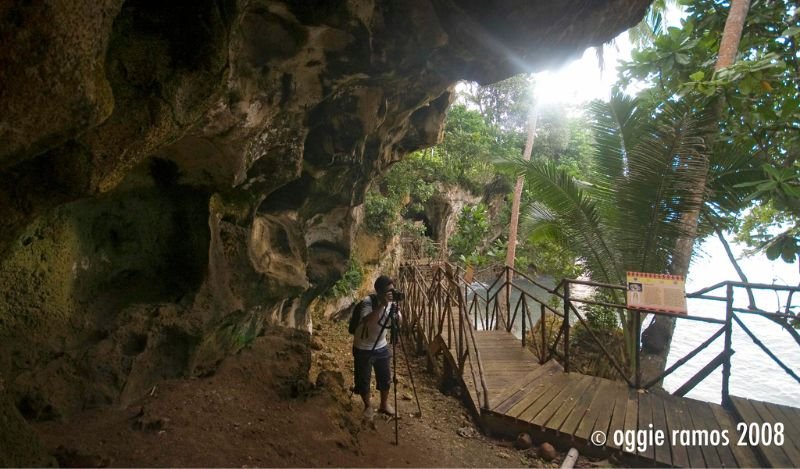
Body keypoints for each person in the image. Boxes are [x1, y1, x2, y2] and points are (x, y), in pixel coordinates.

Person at [352, 275, 398, 419]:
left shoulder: (392, 302)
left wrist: (397, 316)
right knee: (363, 379)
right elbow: (366, 320)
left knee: (385, 378)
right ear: (378, 292)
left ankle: (384, 404)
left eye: (392, 290)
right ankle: (368, 407)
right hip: (363, 347)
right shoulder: (368, 302)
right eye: (387, 291)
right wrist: (381, 305)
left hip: (381, 345)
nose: (391, 293)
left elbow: (396, 321)